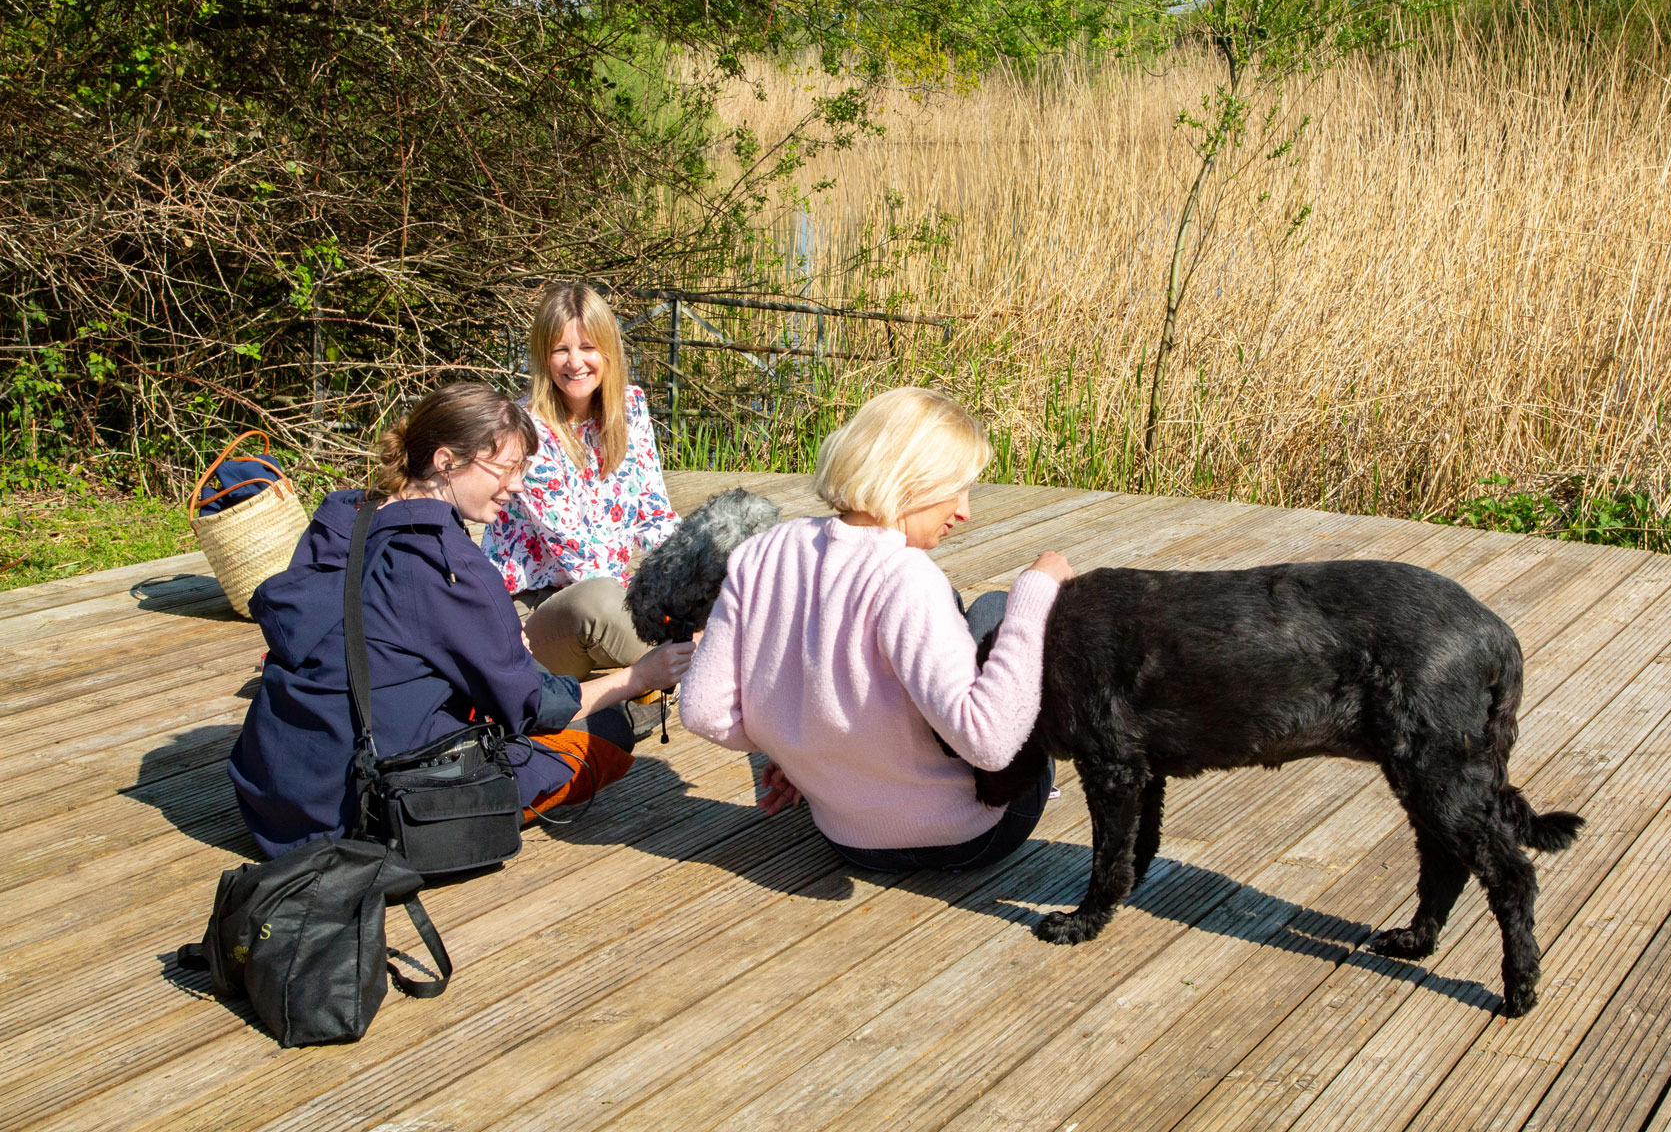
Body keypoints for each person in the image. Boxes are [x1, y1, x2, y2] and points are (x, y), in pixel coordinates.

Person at [229, 381, 694, 858]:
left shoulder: (343, 514)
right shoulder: (452, 568)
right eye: (507, 468)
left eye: (523, 468)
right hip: (360, 811)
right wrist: (639, 675)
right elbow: (533, 708)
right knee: (608, 732)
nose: (517, 485)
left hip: (273, 793)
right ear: (446, 460)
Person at [679, 387, 1074, 871]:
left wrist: (807, 757)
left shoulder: (762, 552)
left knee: (956, 612)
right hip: (972, 834)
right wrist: (1035, 594)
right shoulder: (906, 576)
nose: (965, 511)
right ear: (911, 479)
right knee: (999, 609)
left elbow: (702, 710)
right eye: (956, 489)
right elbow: (990, 745)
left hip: (846, 838)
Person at [482, 282, 678, 677]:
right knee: (602, 602)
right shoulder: (526, 429)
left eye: (587, 347)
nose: (575, 362)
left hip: (609, 587)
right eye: (560, 350)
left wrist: (695, 568)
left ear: (607, 350)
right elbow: (579, 552)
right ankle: (689, 661)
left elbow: (654, 516)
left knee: (708, 588)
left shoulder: (630, 406)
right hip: (537, 608)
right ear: (543, 355)